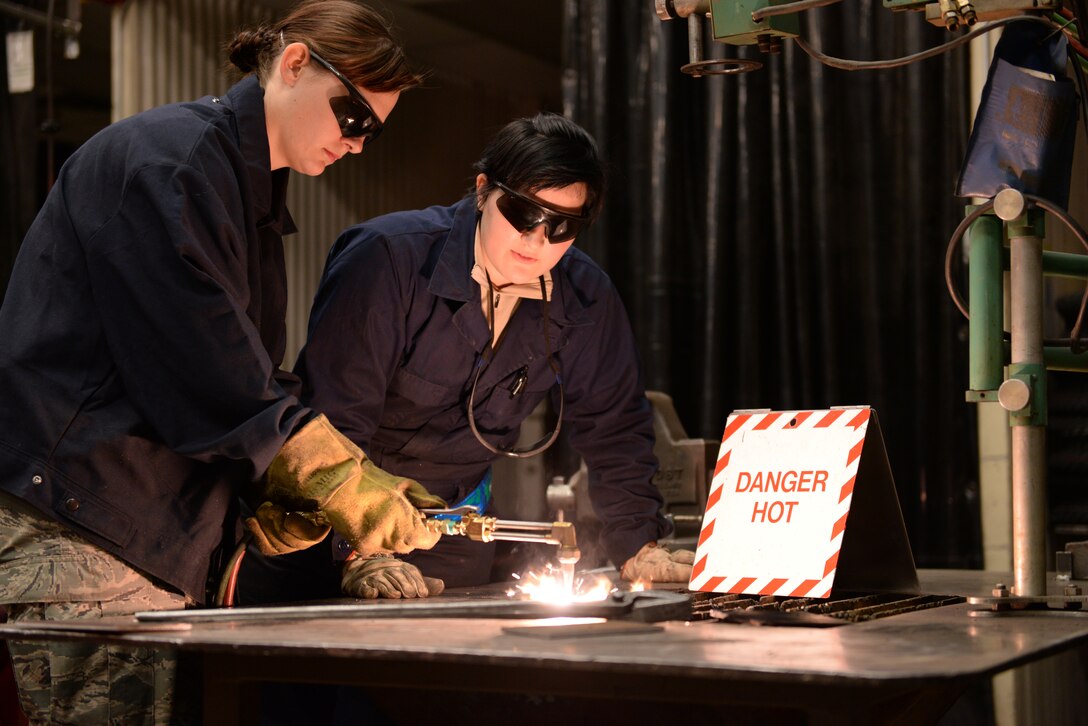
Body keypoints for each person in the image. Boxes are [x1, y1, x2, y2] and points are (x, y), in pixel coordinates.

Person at [0, 1, 445, 722]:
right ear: (296, 63)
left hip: (139, 544)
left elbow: (246, 375)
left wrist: (276, 500)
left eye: (372, 132)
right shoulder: (170, 164)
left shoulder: (246, 196)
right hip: (80, 531)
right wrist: (328, 472)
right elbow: (202, 366)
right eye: (353, 118)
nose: (358, 145)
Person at [251, 112, 695, 602]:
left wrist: (639, 545)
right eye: (524, 214)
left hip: (454, 525)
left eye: (564, 226)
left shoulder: (586, 297)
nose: (538, 240)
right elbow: (338, 415)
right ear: (484, 190)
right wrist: (363, 547)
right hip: (343, 518)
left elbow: (615, 428)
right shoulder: (387, 260)